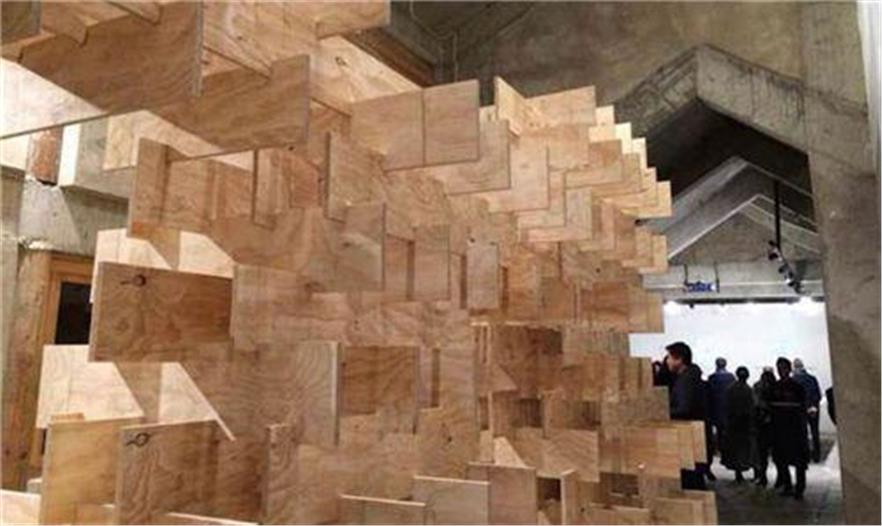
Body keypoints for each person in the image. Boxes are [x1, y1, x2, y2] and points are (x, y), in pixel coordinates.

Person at [664, 342, 708, 490]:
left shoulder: (686, 380)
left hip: (687, 436)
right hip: (692, 435)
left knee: (690, 480)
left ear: (679, 359)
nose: (667, 361)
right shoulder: (690, 376)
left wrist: (662, 413)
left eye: (669, 357)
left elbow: (684, 408)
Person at [769, 357, 809, 500]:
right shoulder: (775, 387)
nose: (781, 371)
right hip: (780, 429)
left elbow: (802, 406)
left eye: (783, 368)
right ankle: (787, 485)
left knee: (798, 461)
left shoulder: (796, 387)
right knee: (781, 459)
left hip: (794, 428)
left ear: (789, 369)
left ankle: (799, 488)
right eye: (779, 369)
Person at [722, 366, 755, 483]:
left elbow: (726, 406)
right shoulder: (749, 390)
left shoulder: (730, 389)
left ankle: (738, 472)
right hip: (744, 423)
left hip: (733, 423)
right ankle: (742, 468)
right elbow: (751, 408)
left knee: (734, 449)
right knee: (743, 448)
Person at [707, 357, 736, 471]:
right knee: (727, 433)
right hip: (728, 408)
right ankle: (726, 454)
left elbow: (710, 394)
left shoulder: (712, 378)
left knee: (719, 432)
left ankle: (720, 451)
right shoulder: (731, 377)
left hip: (716, 409)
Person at [792, 358, 823, 462]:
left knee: (802, 433)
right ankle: (817, 456)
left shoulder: (794, 380)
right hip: (813, 409)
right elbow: (818, 395)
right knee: (815, 433)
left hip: (800, 411)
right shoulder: (812, 379)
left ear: (794, 368)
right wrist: (813, 406)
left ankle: (804, 455)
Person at [752, 367, 776, 487]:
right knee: (775, 453)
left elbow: (755, 403)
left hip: (761, 424)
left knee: (762, 453)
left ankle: (762, 476)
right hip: (772, 424)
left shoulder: (757, 387)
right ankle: (779, 478)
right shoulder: (775, 387)